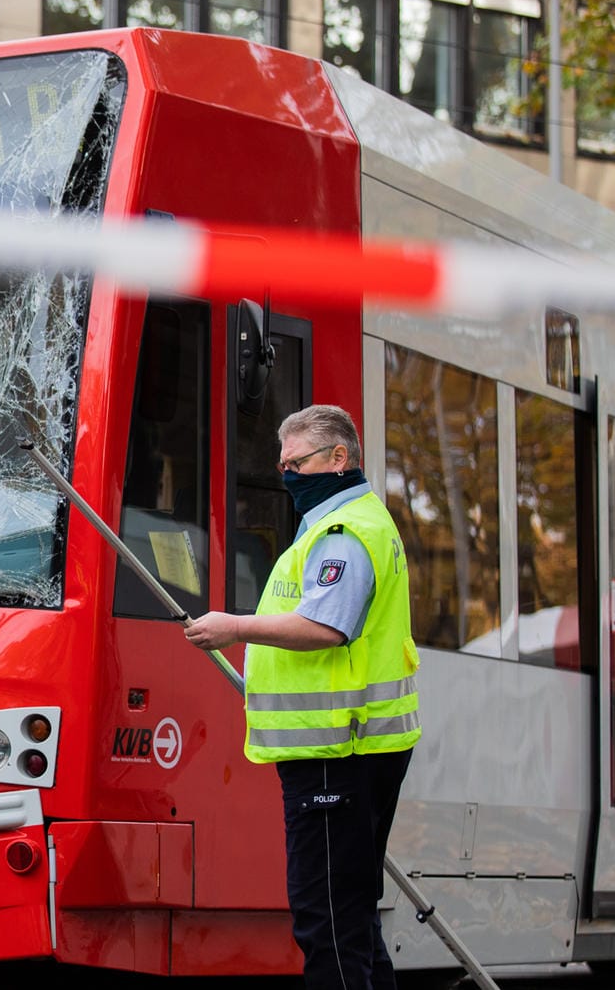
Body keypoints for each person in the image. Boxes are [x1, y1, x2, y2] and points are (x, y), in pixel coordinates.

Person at [185, 405, 421, 990]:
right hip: (354, 747)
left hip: (336, 751)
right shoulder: (352, 521)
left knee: (329, 924)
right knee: (353, 917)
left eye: (298, 463)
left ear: (339, 459)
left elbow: (326, 627)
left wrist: (234, 627)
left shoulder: (343, 533)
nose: (286, 474)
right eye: (283, 463)